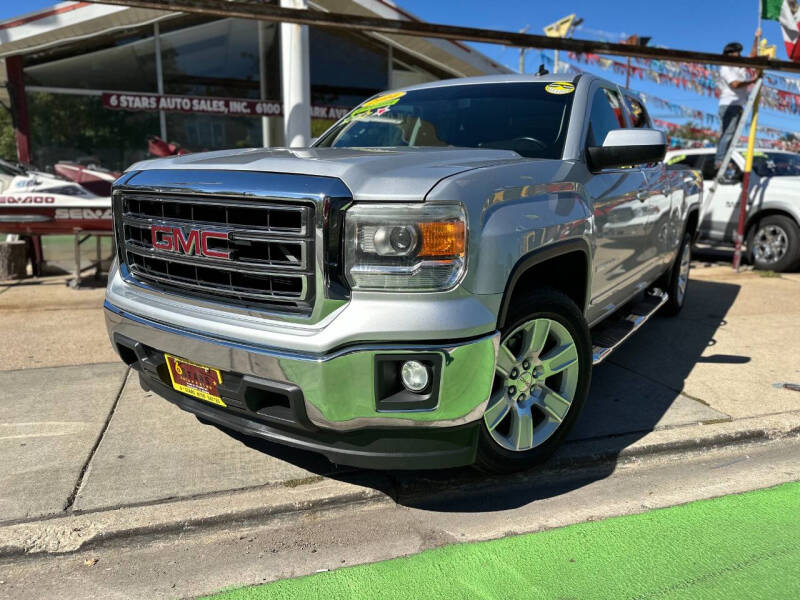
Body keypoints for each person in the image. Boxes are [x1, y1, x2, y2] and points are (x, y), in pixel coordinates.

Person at [714, 30, 762, 169]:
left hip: (738, 104)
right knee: (728, 134)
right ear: (729, 54)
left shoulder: (739, 66)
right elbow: (734, 85)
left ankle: (724, 159)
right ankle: (720, 160)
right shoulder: (725, 68)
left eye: (740, 53)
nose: (739, 55)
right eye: (736, 53)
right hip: (729, 104)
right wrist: (753, 81)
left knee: (732, 134)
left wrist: (756, 38)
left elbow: (752, 56)